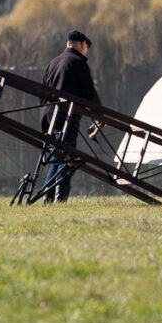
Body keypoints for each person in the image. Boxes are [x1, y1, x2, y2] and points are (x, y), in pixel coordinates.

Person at [39, 30, 102, 202]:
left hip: (48, 117)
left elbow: (42, 93)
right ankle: (59, 198)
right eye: (86, 47)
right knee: (67, 157)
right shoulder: (78, 62)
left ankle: (48, 197)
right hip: (66, 119)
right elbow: (89, 91)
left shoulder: (53, 63)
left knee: (58, 156)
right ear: (82, 44)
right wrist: (100, 113)